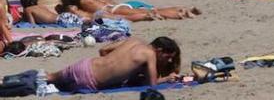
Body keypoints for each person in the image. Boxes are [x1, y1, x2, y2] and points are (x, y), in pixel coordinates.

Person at [48, 37, 181, 93]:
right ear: (159, 50)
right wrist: (166, 78)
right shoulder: (150, 54)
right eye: (168, 57)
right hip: (89, 80)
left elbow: (103, 50)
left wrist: (112, 67)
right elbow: (152, 84)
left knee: (48, 78)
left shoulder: (134, 40)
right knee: (56, 89)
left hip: (84, 65)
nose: (169, 61)